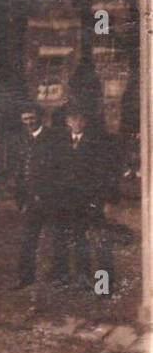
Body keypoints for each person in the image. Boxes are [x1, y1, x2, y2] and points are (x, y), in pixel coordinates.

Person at [51, 104, 112, 294]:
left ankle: (103, 286)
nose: (76, 123)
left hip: (92, 201)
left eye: (79, 119)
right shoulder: (63, 145)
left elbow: (104, 175)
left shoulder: (95, 145)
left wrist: (104, 201)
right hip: (71, 202)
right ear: (67, 122)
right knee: (78, 240)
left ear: (84, 123)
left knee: (100, 242)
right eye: (72, 119)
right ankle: (83, 280)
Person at [9, 102, 60, 288]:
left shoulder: (53, 137)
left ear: (39, 117)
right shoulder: (21, 139)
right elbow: (19, 172)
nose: (29, 122)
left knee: (57, 237)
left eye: (31, 118)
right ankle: (25, 277)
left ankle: (59, 277)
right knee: (28, 238)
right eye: (25, 119)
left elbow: (59, 169)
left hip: (50, 198)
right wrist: (20, 199)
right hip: (30, 200)